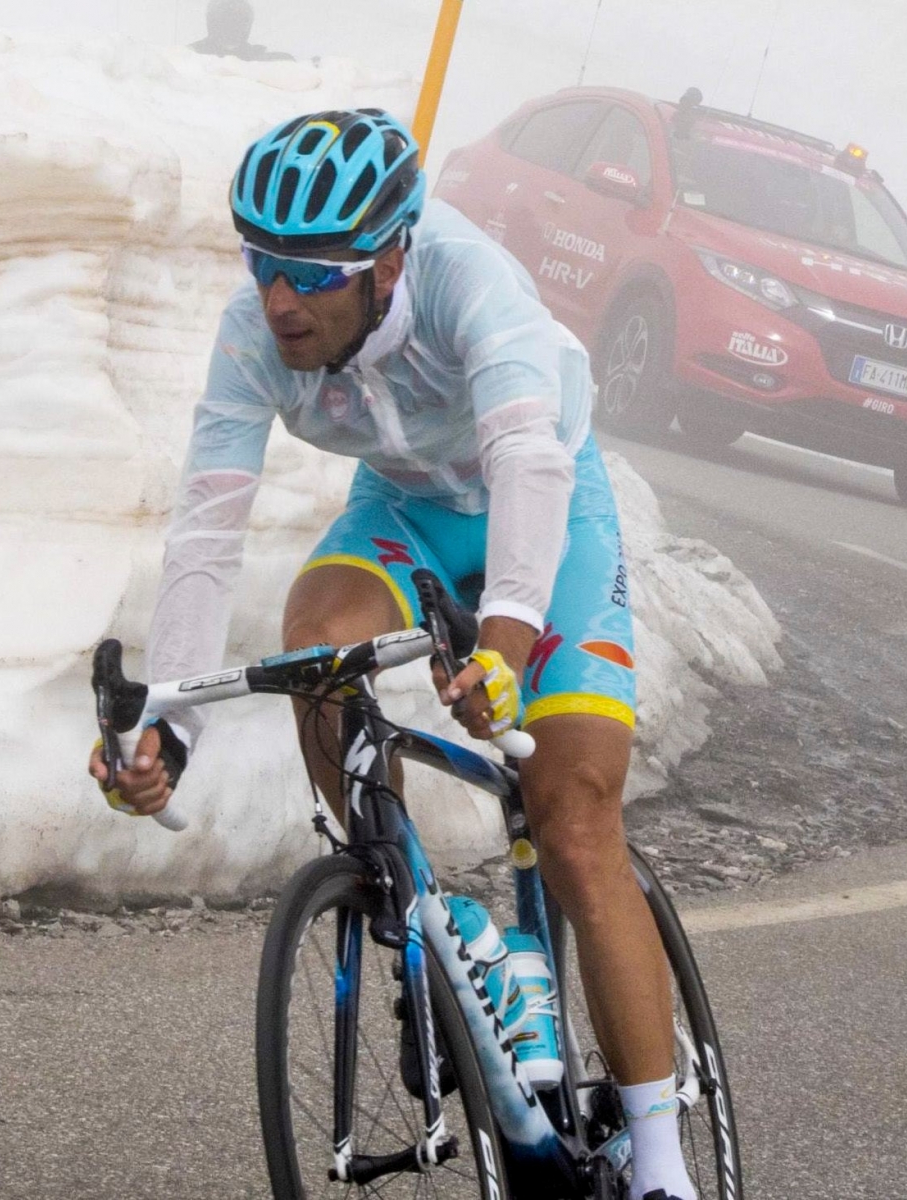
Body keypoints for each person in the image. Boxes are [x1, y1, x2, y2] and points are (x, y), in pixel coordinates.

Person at [86, 109, 697, 1200]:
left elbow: (526, 459)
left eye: (312, 275)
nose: (280, 299)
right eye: (263, 264)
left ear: (392, 259)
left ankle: (660, 1166)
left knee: (571, 814)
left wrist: (505, 640)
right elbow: (206, 527)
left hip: (546, 508)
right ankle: (411, 896)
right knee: (316, 641)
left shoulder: (473, 286)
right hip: (406, 512)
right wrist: (166, 728)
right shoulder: (254, 334)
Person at [190, 0, 294, 62]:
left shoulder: (258, 56)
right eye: (227, 18)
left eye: (242, 19)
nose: (234, 25)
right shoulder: (190, 55)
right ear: (212, 22)